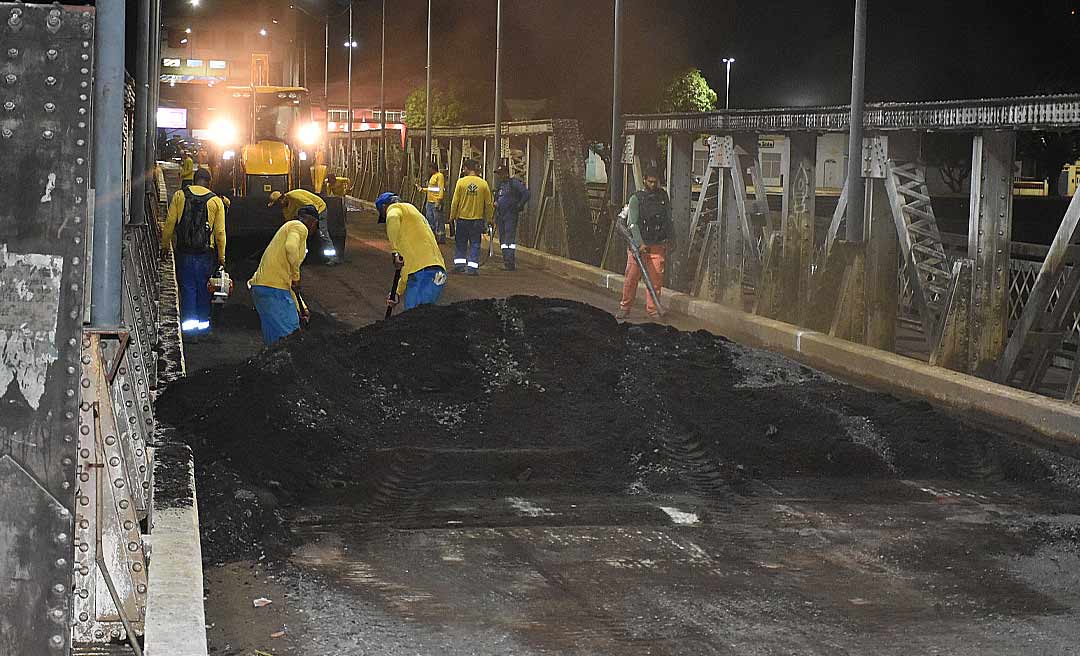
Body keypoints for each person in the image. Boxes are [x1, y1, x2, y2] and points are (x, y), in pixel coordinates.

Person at [161, 167, 227, 339]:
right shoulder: (215, 201)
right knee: (205, 289)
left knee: (188, 288)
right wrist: (222, 257)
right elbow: (220, 233)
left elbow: (169, 223)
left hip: (184, 252)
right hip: (205, 254)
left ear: (194, 180)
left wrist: (165, 245)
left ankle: (190, 333)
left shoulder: (180, 195)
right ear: (209, 182)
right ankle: (204, 329)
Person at [248, 208, 319, 345]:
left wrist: (302, 308)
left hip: (261, 289)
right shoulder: (299, 226)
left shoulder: (287, 229)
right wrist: (296, 276)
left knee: (274, 343)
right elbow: (291, 247)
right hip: (274, 291)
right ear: (312, 222)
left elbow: (290, 284)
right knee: (291, 338)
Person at [376, 192, 448, 310]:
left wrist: (394, 252)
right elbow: (407, 269)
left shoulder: (394, 209)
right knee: (422, 316)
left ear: (384, 207)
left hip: (422, 273)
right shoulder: (414, 213)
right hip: (438, 272)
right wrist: (397, 293)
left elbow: (393, 217)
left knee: (413, 316)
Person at [618, 170, 674, 320]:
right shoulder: (636, 199)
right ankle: (625, 307)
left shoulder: (663, 197)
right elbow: (632, 224)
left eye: (655, 182)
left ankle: (653, 310)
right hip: (638, 247)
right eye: (650, 181)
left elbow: (668, 220)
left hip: (657, 245)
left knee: (656, 280)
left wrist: (671, 238)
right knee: (631, 278)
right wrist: (639, 243)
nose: (653, 185)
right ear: (644, 180)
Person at [268, 188, 340, 265]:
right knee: (301, 233)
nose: (278, 206)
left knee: (322, 233)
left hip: (318, 209)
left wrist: (313, 223)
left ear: (281, 199)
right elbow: (290, 222)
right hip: (305, 215)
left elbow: (312, 206)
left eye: (277, 204)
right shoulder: (285, 209)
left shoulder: (294, 196)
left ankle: (333, 257)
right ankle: (302, 257)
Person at [448, 158, 494, 275]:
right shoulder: (483, 183)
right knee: (475, 243)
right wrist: (490, 219)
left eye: (464, 168)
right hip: (477, 220)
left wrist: (452, 216)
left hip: (462, 219)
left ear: (467, 168)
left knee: (460, 243)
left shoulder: (461, 182)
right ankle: (472, 268)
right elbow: (489, 204)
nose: (463, 170)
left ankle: (459, 266)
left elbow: (455, 202)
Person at [493, 164, 530, 271]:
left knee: (509, 239)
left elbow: (526, 194)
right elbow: (497, 197)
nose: (499, 176)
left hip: (510, 215)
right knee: (503, 240)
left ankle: (510, 262)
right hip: (501, 215)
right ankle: (506, 261)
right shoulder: (500, 185)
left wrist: (519, 205)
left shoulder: (514, 183)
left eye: (500, 174)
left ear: (506, 173)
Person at [416, 161, 446, 243]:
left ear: (432, 168)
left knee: (438, 220)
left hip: (436, 201)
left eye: (429, 168)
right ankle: (432, 237)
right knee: (430, 219)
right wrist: (422, 189)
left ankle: (440, 238)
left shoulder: (439, 176)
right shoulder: (432, 176)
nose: (428, 170)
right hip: (430, 201)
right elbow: (432, 189)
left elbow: (440, 189)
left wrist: (439, 200)